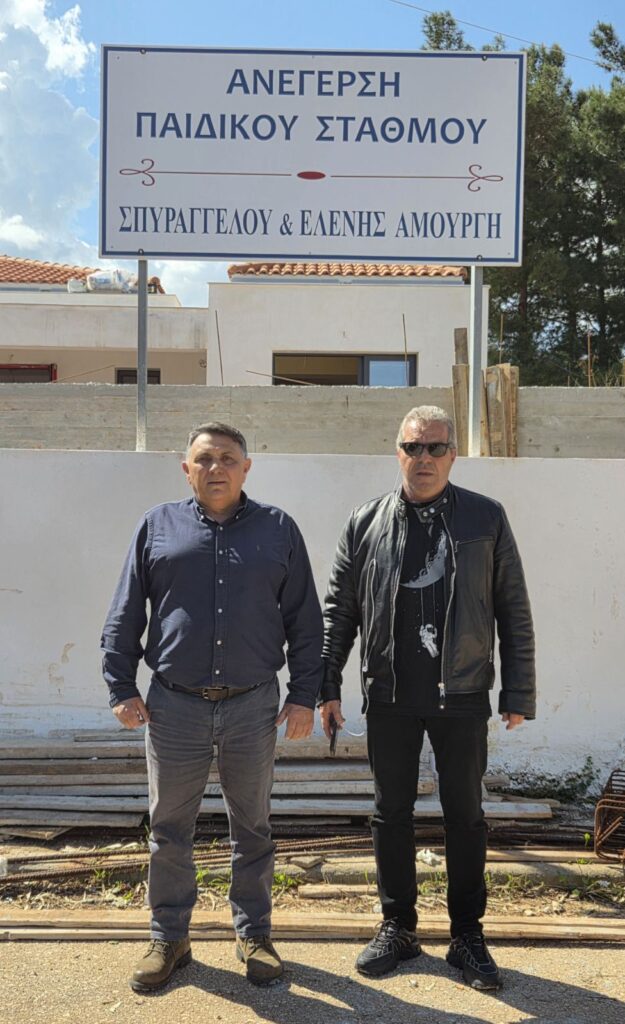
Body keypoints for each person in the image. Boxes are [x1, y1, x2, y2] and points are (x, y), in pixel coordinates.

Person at [319, 405, 535, 991]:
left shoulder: (486, 517)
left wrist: (518, 689)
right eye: (413, 447)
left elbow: (513, 608)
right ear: (398, 452)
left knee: (466, 816)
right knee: (390, 814)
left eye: (435, 447)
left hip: (462, 692)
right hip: (390, 691)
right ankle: (398, 927)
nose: (424, 458)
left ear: (452, 455)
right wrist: (327, 685)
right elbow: (340, 612)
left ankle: (467, 935)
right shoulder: (365, 522)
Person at [101, 422, 323, 991]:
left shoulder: (278, 529)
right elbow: (127, 610)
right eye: (204, 459)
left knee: (252, 826)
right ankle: (169, 937)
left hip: (253, 705)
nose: (216, 468)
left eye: (227, 458)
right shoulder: (157, 526)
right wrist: (120, 686)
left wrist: (304, 695)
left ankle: (255, 934)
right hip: (173, 707)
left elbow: (305, 619)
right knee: (169, 828)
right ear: (186, 469)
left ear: (246, 468)